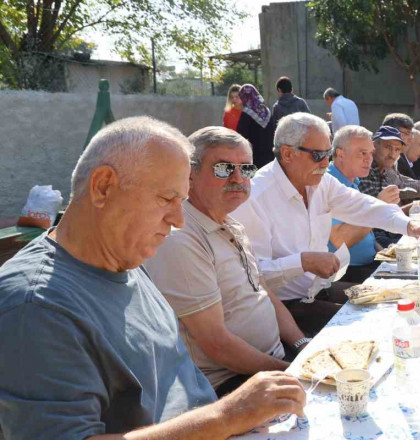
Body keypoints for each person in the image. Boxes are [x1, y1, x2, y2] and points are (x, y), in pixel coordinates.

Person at [0, 117, 305, 439]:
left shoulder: (124, 260)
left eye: (182, 201)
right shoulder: (35, 307)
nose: (177, 220)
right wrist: (226, 416)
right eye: (167, 199)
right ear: (103, 186)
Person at [145, 126, 309, 397]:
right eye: (223, 168)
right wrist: (290, 372)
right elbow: (217, 345)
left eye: (245, 169)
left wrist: (303, 343)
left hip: (271, 360)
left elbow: (263, 292)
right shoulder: (181, 238)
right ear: (190, 174)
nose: (238, 178)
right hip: (229, 383)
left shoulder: (231, 224)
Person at [230, 113, 420, 336]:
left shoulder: (320, 181)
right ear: (287, 153)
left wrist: (409, 226)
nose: (325, 163)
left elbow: (363, 205)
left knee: (399, 303)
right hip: (284, 309)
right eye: (317, 155)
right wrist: (302, 262)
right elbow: (253, 278)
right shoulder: (256, 198)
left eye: (327, 154)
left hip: (320, 289)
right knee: (372, 330)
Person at [328, 126, 400, 284]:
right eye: (362, 153)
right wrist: (378, 206)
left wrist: (385, 257)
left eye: (371, 153)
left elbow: (366, 234)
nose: (369, 159)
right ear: (340, 154)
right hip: (346, 274)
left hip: (368, 263)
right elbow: (340, 240)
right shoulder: (330, 183)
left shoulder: (352, 180)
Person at [359, 126, 420, 247]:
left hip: (390, 229)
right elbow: (377, 215)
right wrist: (418, 205)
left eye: (397, 150)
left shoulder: (388, 167)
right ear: (374, 146)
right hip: (375, 238)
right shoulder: (365, 170)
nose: (392, 154)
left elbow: (407, 186)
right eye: (388, 147)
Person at [236, 84, 275, 168]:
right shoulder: (267, 111)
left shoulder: (246, 113)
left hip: (255, 156)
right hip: (270, 155)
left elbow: (240, 136)